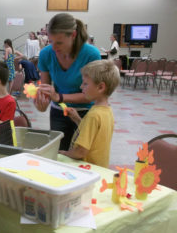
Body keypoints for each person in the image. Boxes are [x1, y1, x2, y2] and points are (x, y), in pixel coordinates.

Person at [34, 13, 101, 151]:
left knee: (83, 157)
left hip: (85, 113)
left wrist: (59, 97)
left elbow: (93, 95)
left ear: (73, 35)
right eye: (50, 41)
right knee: (59, 154)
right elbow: (45, 89)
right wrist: (41, 101)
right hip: (59, 112)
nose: (53, 47)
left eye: (59, 42)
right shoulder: (46, 54)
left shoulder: (91, 54)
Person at [59, 60, 120, 168]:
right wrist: (77, 119)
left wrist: (65, 153)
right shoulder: (106, 111)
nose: (81, 87)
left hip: (88, 169)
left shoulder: (93, 115)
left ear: (100, 87)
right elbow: (94, 134)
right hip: (100, 168)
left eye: (85, 83)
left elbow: (81, 151)